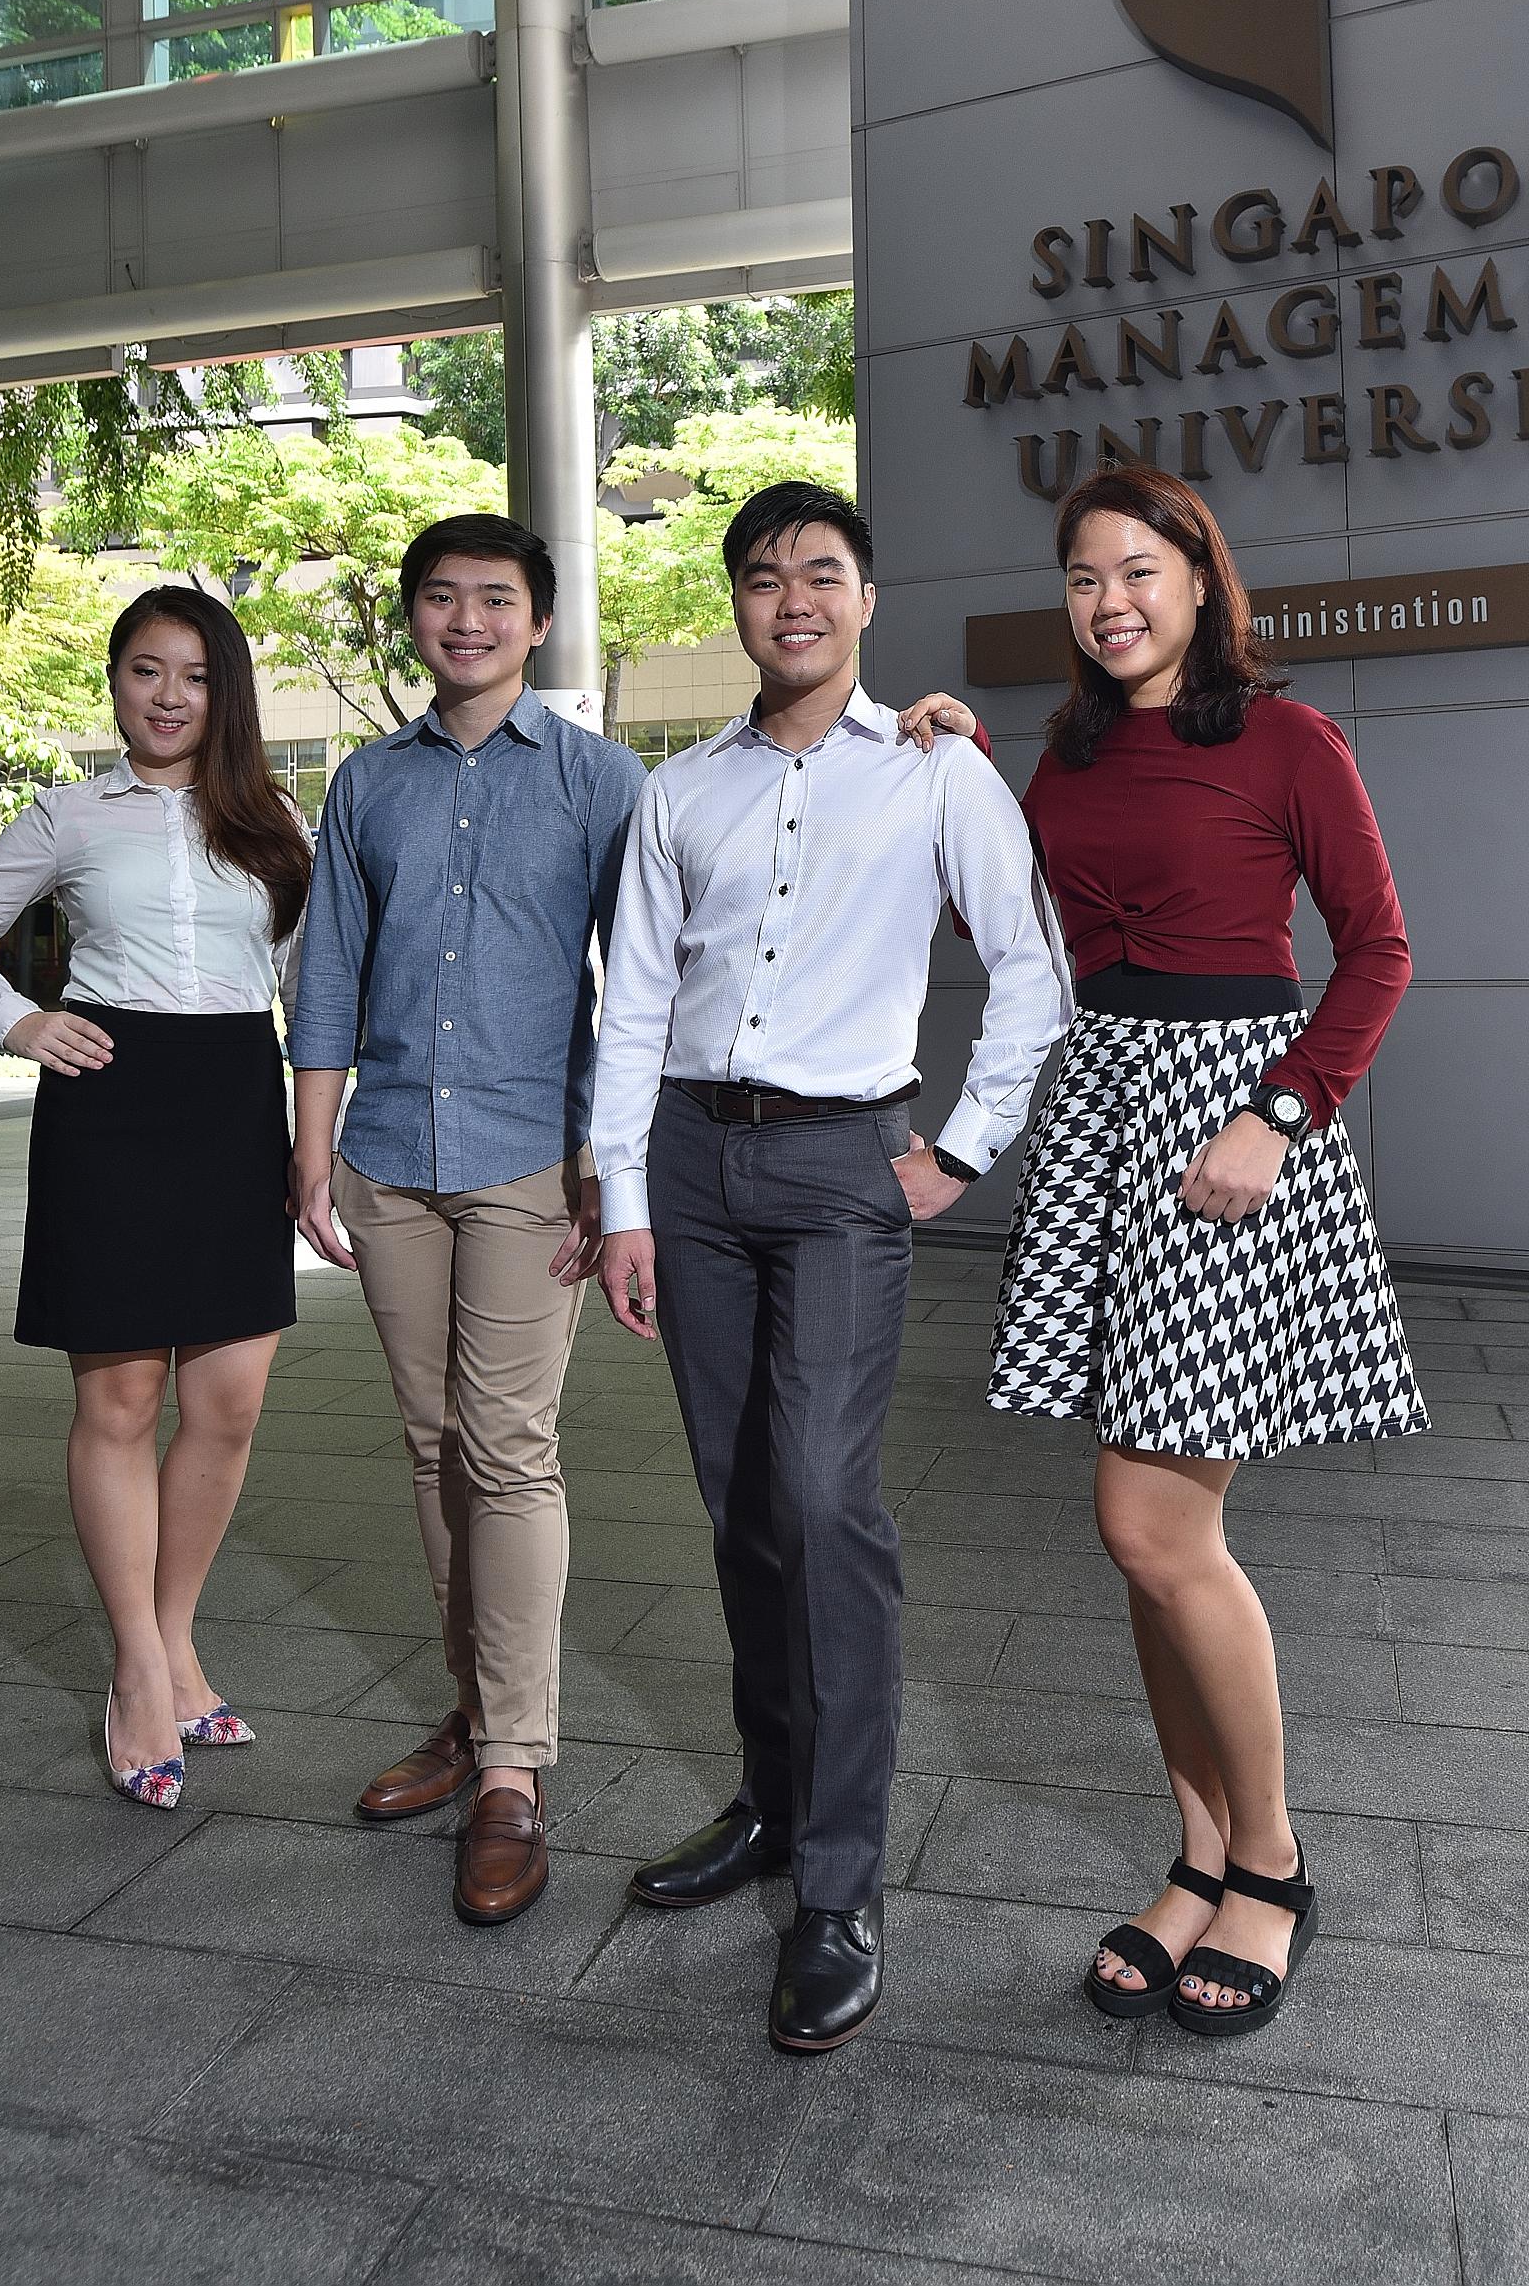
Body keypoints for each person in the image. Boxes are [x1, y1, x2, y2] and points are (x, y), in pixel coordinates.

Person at [903, 468, 1424, 2037]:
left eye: (1140, 568)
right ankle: (1196, 1852)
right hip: (1108, 1115)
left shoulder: (1287, 739)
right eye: (1081, 576)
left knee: (1149, 1522)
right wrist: (954, 780)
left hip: (1227, 1142)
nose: (1110, 598)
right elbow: (1021, 939)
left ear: (1201, 580)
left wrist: (1280, 1112)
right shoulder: (1059, 757)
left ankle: (1271, 1860)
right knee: (1145, 1540)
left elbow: (1379, 948)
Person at [590, 479, 1073, 2053]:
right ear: (733, 605)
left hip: (843, 1164)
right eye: (760, 577)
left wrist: (962, 1146)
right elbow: (636, 1006)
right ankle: (775, 1807)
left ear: (865, 598)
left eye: (819, 573)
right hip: (690, 1163)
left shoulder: (935, 775)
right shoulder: (679, 796)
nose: (788, 597)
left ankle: (845, 1884)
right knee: (739, 1508)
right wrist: (624, 1201)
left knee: (819, 1500)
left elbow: (1030, 973)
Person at [288, 513, 646, 1927]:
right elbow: (325, 975)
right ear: (413, 620)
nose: (468, 620)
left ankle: (511, 1766)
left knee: (506, 1444)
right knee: (436, 1446)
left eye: (496, 599)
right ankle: (471, 1707)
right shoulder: (367, 783)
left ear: (540, 622)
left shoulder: (602, 779)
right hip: (387, 1155)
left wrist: (615, 1176)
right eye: (441, 598)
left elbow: (645, 991)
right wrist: (309, 1153)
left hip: (526, 1161)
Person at [0, 588, 313, 1809]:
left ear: (224, 690)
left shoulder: (273, 818)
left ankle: (177, 1634)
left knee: (230, 1399)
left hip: (237, 1091)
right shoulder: (68, 814)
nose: (169, 694)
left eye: (193, 674)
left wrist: (315, 1133)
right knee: (125, 1395)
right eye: (145, 670)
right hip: (115, 1100)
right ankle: (141, 1670)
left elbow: (308, 981)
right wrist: (20, 1018)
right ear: (117, 681)